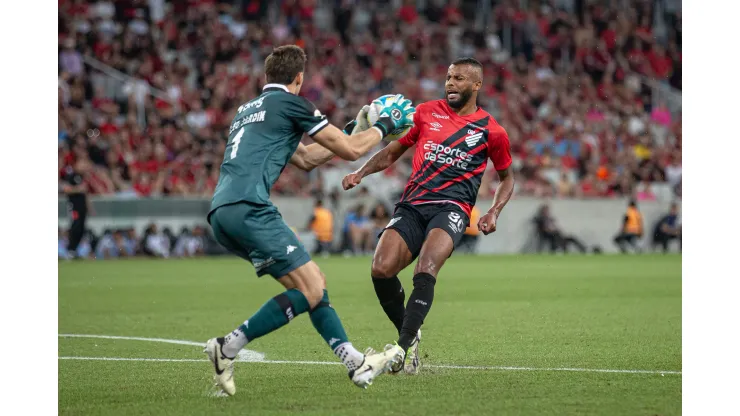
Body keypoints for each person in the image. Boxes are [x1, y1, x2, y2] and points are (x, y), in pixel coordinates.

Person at [204, 45, 414, 395]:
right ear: (299, 78)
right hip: (250, 207)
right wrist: (383, 127)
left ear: (267, 76)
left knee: (313, 283)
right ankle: (227, 347)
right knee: (311, 287)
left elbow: (303, 157)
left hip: (223, 211)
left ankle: (355, 363)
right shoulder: (292, 103)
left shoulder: (247, 110)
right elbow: (352, 152)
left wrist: (349, 129)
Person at [342, 57, 515, 374]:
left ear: (476, 85)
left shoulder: (492, 131)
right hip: (412, 204)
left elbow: (507, 178)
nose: (451, 83)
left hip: (452, 208)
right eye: (449, 77)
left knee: (426, 268)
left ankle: (401, 350)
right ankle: (409, 334)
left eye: (459, 78)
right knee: (381, 269)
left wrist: (494, 211)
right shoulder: (424, 113)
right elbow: (393, 151)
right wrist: (361, 172)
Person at [61, 159, 92, 259]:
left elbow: (85, 194)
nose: (84, 167)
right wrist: (79, 189)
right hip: (74, 207)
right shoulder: (71, 176)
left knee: (82, 229)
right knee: (75, 227)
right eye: (82, 164)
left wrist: (89, 207)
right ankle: (69, 250)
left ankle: (74, 250)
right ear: (76, 165)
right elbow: (65, 189)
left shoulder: (82, 177)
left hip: (82, 208)